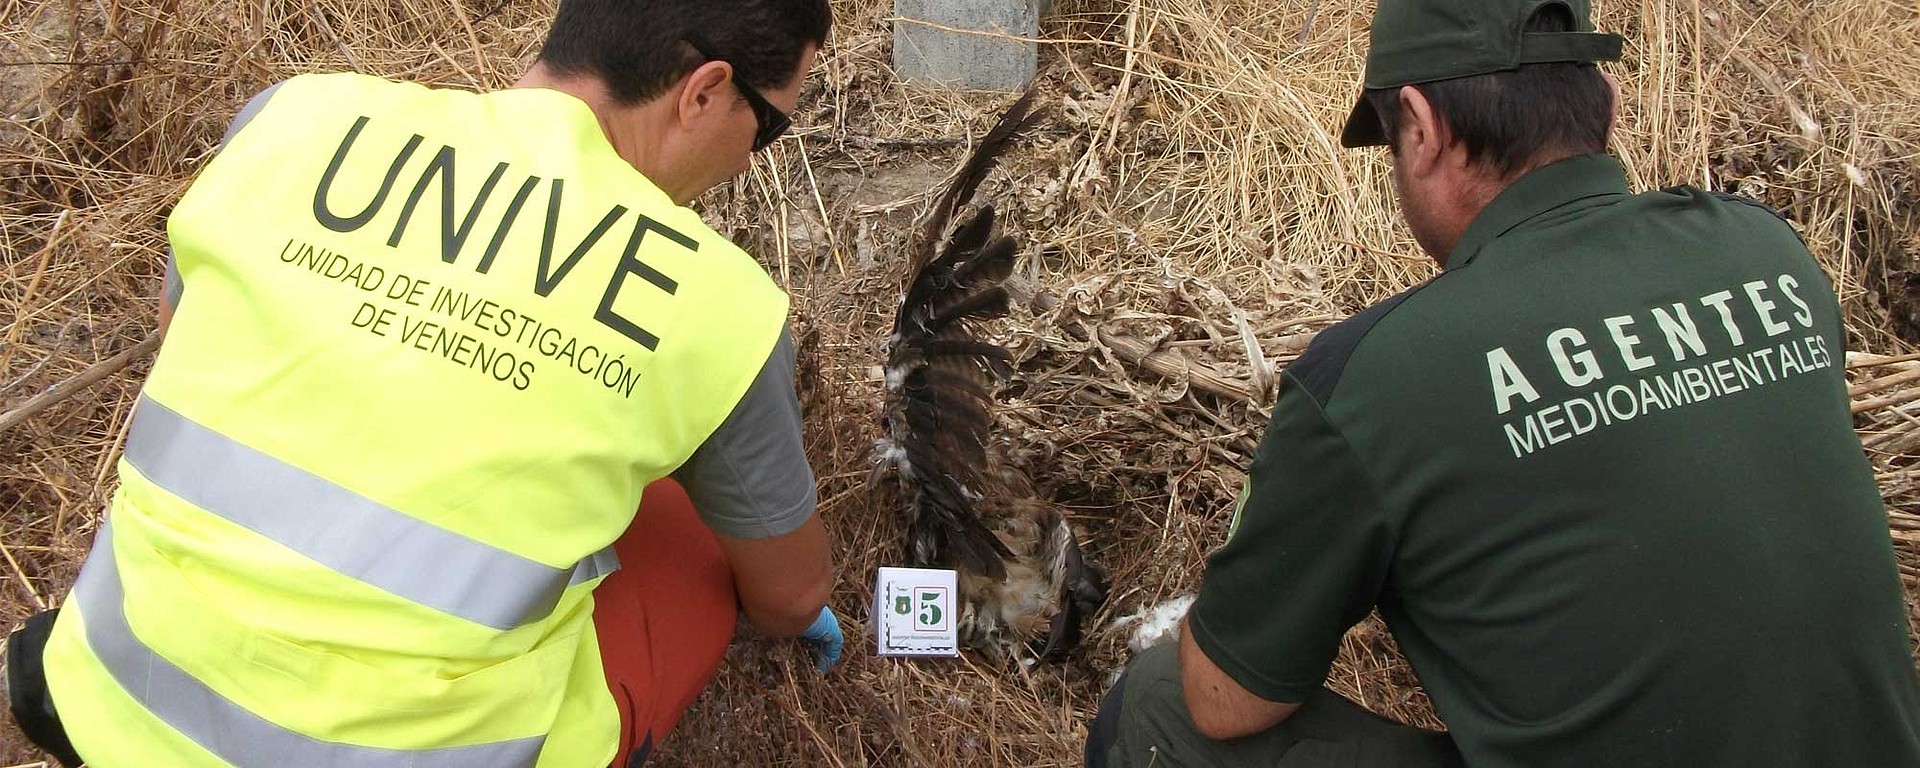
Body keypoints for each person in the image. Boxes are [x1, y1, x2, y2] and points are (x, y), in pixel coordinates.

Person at [1, 1, 842, 765]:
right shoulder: (717, 304)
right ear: (703, 91)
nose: (746, 164)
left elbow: (183, 331)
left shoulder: (293, 115)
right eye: (766, 130)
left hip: (107, 692)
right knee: (687, 525)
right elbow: (788, 595)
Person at [1086, 0, 1920, 765]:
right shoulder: (1770, 252)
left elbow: (1226, 699)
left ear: (1418, 128)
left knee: (1158, 705)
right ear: (1606, 109)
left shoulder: (1378, 374)